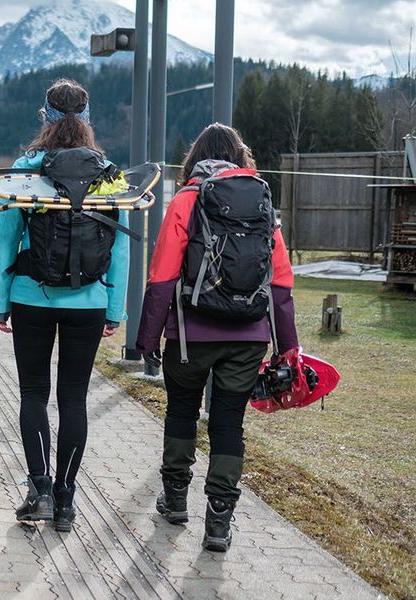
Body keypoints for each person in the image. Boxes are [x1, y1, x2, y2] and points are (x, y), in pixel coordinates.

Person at [136, 122, 299, 552]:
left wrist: (147, 340)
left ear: (196, 156)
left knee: (182, 412)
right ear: (239, 156)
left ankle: (174, 501)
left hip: (192, 335)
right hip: (248, 337)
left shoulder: (188, 199)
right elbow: (281, 281)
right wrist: (288, 348)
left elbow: (162, 275)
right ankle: (220, 523)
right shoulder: (260, 199)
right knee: (229, 422)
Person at [0, 79, 131, 529]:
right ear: (87, 121)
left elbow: (5, 243)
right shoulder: (110, 174)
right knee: (74, 397)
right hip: (88, 301)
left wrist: (0, 304)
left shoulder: (25, 170)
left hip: (31, 296)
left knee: (33, 393)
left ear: (44, 117)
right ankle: (67, 500)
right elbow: (121, 249)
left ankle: (40, 490)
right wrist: (114, 309)